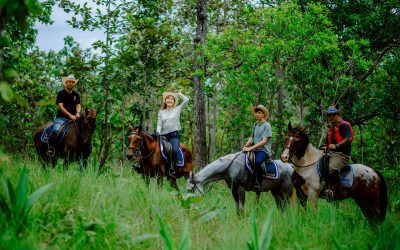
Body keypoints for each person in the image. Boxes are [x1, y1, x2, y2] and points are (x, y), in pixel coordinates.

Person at [47, 74, 81, 156]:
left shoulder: (76, 94)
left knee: (83, 130)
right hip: (62, 118)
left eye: (73, 82)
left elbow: (78, 105)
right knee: (55, 130)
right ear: (66, 82)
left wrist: (78, 113)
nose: (71, 83)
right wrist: (70, 115)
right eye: (69, 82)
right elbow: (60, 106)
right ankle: (51, 148)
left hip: (73, 119)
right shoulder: (61, 93)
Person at [324, 105, 354, 197]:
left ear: (337, 114)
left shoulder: (344, 125)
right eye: (329, 115)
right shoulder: (331, 129)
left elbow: (348, 138)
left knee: (330, 167)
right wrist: (324, 148)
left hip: (342, 155)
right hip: (331, 154)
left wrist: (336, 146)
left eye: (333, 115)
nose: (331, 117)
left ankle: (333, 190)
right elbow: (327, 144)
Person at [156, 91, 189, 172]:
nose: (169, 100)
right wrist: (158, 131)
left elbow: (187, 100)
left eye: (171, 99)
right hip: (163, 136)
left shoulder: (177, 109)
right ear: (165, 100)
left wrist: (180, 94)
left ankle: (180, 161)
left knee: (174, 149)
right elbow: (159, 124)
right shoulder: (161, 111)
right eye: (167, 99)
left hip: (173, 135)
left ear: (174, 101)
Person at [242, 104, 272, 191]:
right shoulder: (255, 124)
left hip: (263, 150)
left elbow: (264, 141)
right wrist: (246, 146)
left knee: (257, 162)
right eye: (256, 113)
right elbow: (252, 138)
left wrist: (250, 148)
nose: (256, 114)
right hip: (254, 149)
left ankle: (258, 183)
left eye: (259, 113)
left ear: (263, 114)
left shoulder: (267, 125)